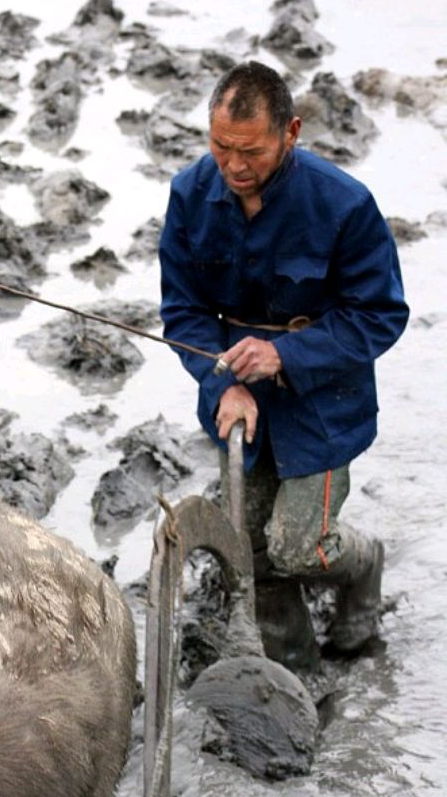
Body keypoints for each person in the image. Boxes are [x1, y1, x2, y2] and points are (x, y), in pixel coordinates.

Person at [158, 60, 408, 665]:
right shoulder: (191, 195)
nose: (236, 167)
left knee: (300, 547)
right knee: (249, 551)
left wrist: (284, 354)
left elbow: (381, 315)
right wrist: (222, 388)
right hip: (236, 388)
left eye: (254, 151)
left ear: (290, 132)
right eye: (221, 147)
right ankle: (294, 673)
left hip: (323, 398)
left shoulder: (344, 204)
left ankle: (363, 562)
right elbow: (183, 311)